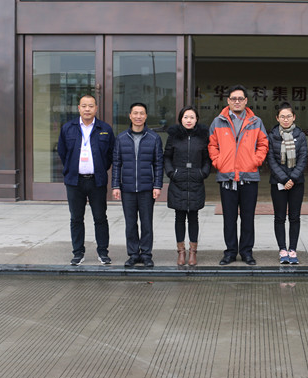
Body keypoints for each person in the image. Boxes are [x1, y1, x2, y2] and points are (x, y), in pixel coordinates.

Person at [208, 85, 269, 266]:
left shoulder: (256, 121)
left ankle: (247, 252)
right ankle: (230, 252)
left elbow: (263, 144)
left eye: (240, 99)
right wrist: (218, 162)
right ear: (228, 101)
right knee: (229, 218)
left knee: (248, 218)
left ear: (246, 101)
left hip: (249, 176)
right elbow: (212, 145)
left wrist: (255, 161)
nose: (237, 102)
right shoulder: (218, 121)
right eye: (233, 98)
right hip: (227, 177)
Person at [57, 94, 115, 266]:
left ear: (96, 108)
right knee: (76, 218)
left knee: (100, 217)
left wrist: (100, 168)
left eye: (90, 106)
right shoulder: (68, 128)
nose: (87, 109)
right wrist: (72, 168)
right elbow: (62, 152)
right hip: (75, 181)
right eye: (84, 106)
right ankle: (78, 253)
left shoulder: (105, 128)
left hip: (97, 181)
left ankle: (103, 252)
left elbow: (110, 154)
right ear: (79, 108)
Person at [112, 102, 163, 268]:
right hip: (127, 188)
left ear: (146, 116)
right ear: (130, 116)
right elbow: (116, 163)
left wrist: (157, 185)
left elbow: (158, 164)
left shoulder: (154, 138)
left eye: (141, 113)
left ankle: (146, 254)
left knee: (147, 223)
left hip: (146, 188)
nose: (138, 116)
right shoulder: (121, 138)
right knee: (130, 223)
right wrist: (115, 186)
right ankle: (133, 254)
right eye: (135, 113)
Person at [164, 106, 211, 266]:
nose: (188, 120)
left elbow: (207, 159)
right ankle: (181, 252)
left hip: (196, 181)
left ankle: (193, 252)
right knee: (179, 217)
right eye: (185, 117)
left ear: (196, 119)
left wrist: (203, 173)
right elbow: (167, 157)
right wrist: (172, 173)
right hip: (178, 181)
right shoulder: (173, 136)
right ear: (181, 119)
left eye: (192, 117)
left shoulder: (203, 137)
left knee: (193, 217)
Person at [266, 102, 308, 265]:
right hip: (278, 182)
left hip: (297, 183)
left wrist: (293, 178)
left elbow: (303, 158)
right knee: (279, 217)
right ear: (277, 118)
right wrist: (284, 179)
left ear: (294, 117)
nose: (285, 119)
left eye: (288, 116)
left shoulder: (300, 135)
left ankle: (293, 249)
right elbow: (271, 160)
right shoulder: (272, 136)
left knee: (295, 217)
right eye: (282, 116)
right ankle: (282, 249)